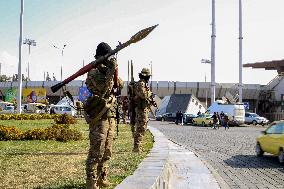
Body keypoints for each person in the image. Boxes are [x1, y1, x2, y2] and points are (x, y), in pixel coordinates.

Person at [84, 42, 119, 189]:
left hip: (109, 116)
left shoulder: (107, 71)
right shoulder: (93, 72)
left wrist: (113, 70)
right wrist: (110, 70)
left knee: (107, 150)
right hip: (99, 115)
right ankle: (91, 182)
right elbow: (105, 88)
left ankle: (102, 178)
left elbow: (118, 85)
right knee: (96, 151)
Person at [133, 68, 155, 153]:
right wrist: (150, 93)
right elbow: (143, 95)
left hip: (144, 109)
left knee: (142, 128)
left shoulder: (144, 84)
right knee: (140, 128)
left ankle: (139, 147)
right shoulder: (141, 84)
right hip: (141, 109)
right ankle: (137, 148)